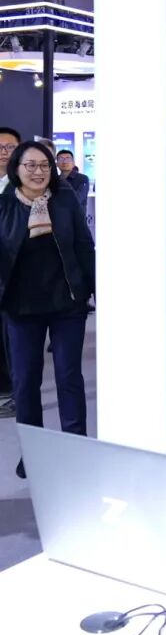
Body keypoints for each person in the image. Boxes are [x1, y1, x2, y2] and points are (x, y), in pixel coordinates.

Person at [0, 142, 95, 479]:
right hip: (21, 308)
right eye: (30, 165)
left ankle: (76, 448)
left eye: (44, 165)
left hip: (66, 303)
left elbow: (84, 246)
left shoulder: (65, 200)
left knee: (69, 377)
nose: (38, 171)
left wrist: (92, 289)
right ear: (17, 169)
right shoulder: (4, 205)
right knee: (25, 382)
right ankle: (33, 452)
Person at [0, 126, 21, 418]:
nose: (4, 153)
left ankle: (18, 393)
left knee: (14, 336)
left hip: (17, 273)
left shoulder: (24, 183)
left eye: (9, 147)